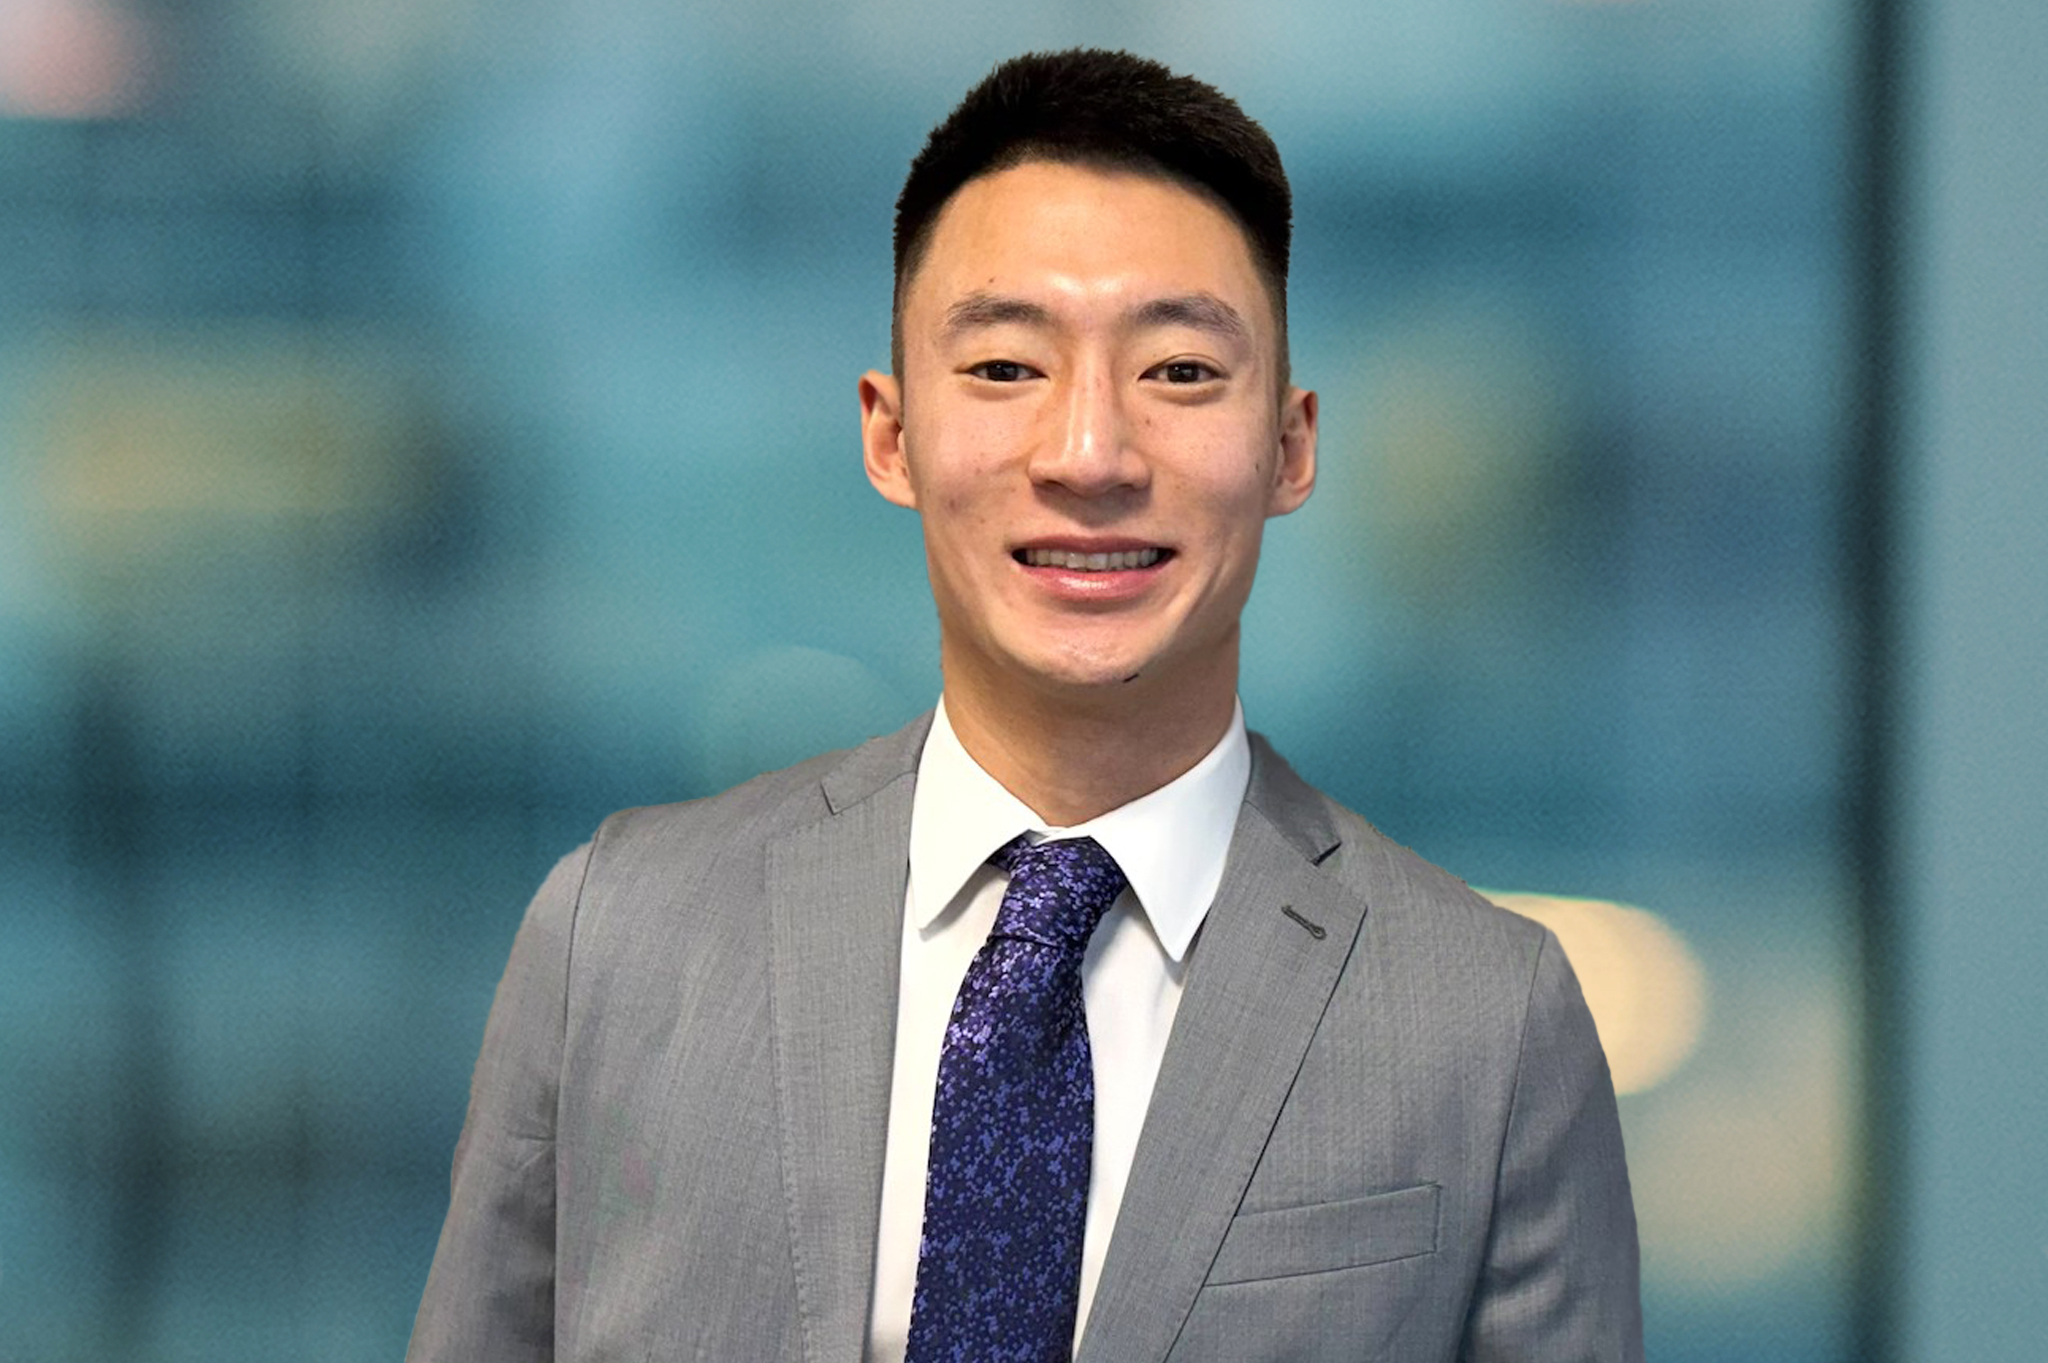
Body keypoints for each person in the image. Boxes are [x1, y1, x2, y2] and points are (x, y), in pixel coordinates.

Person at [408, 48, 1642, 1362]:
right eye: (1004, 369)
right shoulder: (623, 940)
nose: (1090, 455)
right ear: (891, 435)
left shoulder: (1481, 1020)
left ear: (1290, 446)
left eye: (1178, 373)